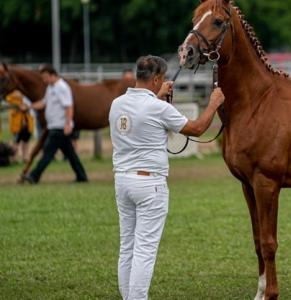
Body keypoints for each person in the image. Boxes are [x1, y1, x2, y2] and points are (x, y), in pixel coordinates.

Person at [109, 55, 225, 300]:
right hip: (149, 184)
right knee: (145, 250)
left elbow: (144, 118)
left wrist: (159, 96)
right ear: (157, 78)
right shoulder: (157, 108)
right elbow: (196, 129)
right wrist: (213, 104)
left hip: (122, 180)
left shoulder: (117, 104)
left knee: (127, 246)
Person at [21, 64, 88, 184]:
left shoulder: (62, 87)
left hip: (60, 127)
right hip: (54, 126)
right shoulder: (50, 88)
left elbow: (68, 106)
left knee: (47, 152)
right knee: (71, 154)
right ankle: (82, 176)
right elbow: (43, 103)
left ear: (53, 75)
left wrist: (68, 124)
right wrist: (29, 106)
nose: (44, 80)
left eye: (46, 77)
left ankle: (34, 176)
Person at [5, 90, 34, 163]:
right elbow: (8, 99)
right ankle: (13, 158)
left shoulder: (27, 96)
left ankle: (25, 157)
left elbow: (29, 105)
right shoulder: (11, 97)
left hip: (27, 122)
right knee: (16, 141)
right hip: (17, 124)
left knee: (26, 141)